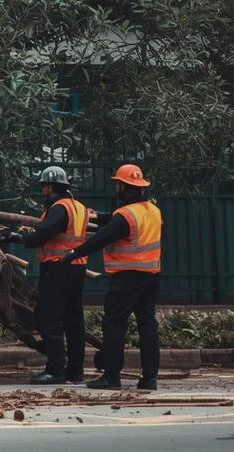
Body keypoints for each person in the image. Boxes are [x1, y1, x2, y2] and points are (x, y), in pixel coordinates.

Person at [63, 163, 162, 391]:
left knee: (114, 322)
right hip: (151, 274)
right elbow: (114, 222)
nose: (116, 188)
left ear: (125, 187)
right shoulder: (152, 210)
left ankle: (111, 377)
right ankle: (149, 378)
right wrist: (97, 216)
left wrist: (75, 252)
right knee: (147, 324)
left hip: (128, 276)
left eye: (118, 184)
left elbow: (103, 238)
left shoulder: (126, 216)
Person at [1, 165, 91, 384]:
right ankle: (75, 370)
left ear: (52, 187)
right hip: (76, 267)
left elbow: (43, 234)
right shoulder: (78, 207)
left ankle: (55, 370)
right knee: (73, 319)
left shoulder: (59, 208)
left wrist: (19, 238)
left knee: (50, 318)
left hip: (57, 267)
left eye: (44, 187)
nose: (43, 192)